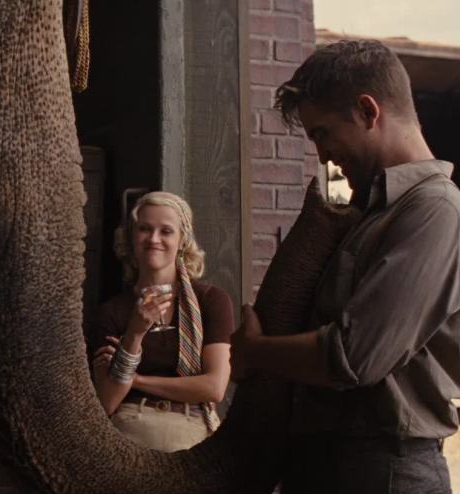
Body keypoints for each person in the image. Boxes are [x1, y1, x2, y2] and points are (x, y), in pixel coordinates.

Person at [231, 39, 460, 493]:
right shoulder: (373, 212)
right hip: (331, 464)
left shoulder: (434, 209)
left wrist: (256, 351)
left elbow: (356, 357)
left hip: (384, 471)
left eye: (323, 133)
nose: (322, 156)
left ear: (368, 111)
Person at [90, 191, 233, 452]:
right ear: (131, 237)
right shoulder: (111, 312)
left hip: (194, 429)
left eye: (166, 231)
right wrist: (134, 333)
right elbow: (107, 402)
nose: (154, 239)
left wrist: (136, 380)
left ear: (182, 240)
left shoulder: (211, 301)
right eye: (144, 229)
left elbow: (214, 387)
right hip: (132, 430)